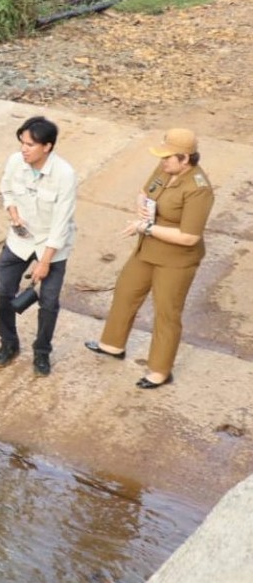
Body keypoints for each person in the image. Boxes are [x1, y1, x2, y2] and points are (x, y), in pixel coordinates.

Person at [85, 128, 215, 388]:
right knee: (125, 291)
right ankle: (112, 344)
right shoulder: (165, 168)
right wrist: (142, 206)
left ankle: (159, 370)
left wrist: (146, 228)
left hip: (176, 259)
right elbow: (146, 193)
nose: (163, 161)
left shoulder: (198, 189)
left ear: (185, 159)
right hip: (148, 248)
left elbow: (189, 236)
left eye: (168, 157)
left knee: (166, 312)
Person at [0, 116, 77, 376]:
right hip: (20, 239)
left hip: (52, 246)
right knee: (3, 291)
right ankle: (8, 343)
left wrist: (45, 262)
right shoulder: (16, 162)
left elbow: (61, 222)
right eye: (22, 143)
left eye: (30, 145)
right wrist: (13, 212)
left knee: (49, 303)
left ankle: (42, 351)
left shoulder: (65, 175)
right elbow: (6, 189)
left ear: (47, 147)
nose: (24, 149)